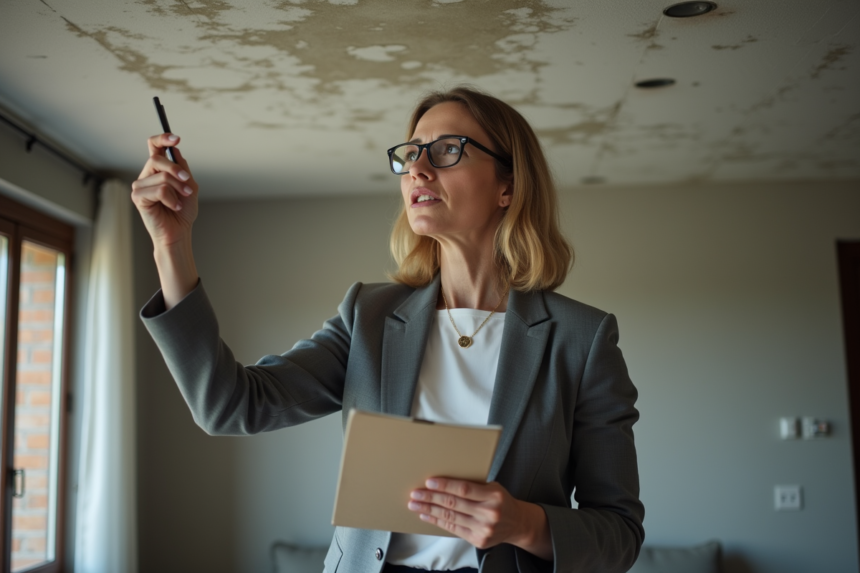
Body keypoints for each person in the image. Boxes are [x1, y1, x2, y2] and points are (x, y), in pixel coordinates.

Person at [132, 86, 644, 573]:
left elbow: (619, 535)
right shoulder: (369, 315)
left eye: (446, 150)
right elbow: (229, 405)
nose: (417, 168)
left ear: (508, 185)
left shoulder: (583, 338)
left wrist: (523, 523)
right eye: (410, 153)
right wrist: (170, 246)